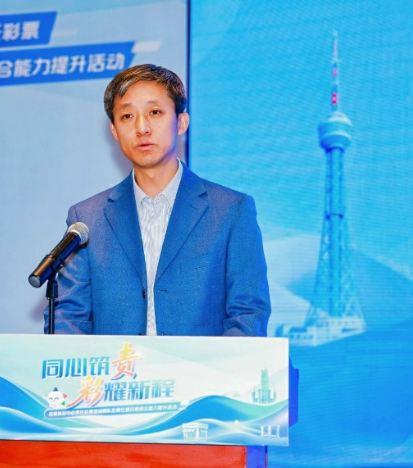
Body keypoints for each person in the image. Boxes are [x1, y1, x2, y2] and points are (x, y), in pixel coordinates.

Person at [47, 64, 270, 337]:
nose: (142, 128)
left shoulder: (231, 211)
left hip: (201, 365)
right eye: (127, 116)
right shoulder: (87, 218)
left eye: (155, 112)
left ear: (181, 122)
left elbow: (248, 314)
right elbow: (68, 317)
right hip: (115, 365)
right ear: (114, 131)